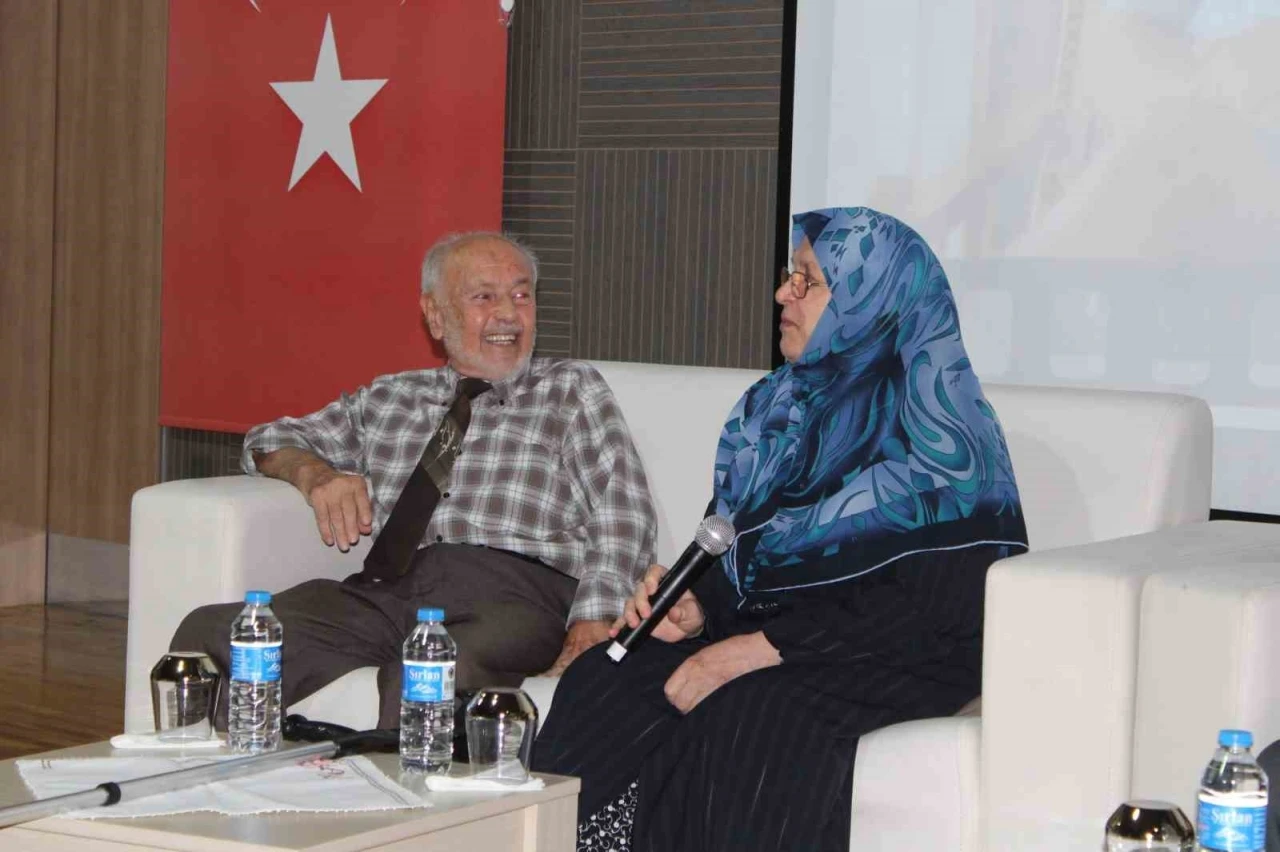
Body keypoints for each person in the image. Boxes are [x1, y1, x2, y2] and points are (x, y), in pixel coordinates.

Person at [533, 207, 1030, 851]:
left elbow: (942, 608)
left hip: (898, 653)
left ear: (872, 301)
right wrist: (697, 610)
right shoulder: (776, 409)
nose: (781, 294)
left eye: (806, 280)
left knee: (749, 714)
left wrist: (754, 650)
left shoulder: (945, 430)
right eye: (789, 275)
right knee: (604, 676)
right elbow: (734, 546)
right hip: (775, 639)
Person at [171, 232, 656, 728]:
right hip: (390, 591)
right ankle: (224, 772)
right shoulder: (391, 397)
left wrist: (593, 618)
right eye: (484, 297)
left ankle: (393, 780)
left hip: (517, 596)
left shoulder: (570, 388)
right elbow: (268, 440)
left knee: (427, 669)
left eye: (521, 295)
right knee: (212, 634)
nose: (508, 314)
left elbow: (624, 510)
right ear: (435, 315)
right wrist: (315, 475)